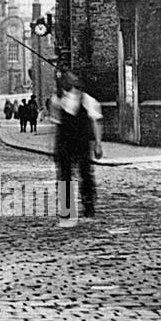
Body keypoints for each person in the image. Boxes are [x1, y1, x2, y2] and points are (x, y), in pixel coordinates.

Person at [54, 73, 102, 220]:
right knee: (64, 176)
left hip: (81, 143)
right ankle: (67, 209)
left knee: (85, 175)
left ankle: (89, 206)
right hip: (64, 143)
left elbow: (96, 122)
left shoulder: (88, 100)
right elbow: (56, 121)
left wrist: (98, 143)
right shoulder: (59, 99)